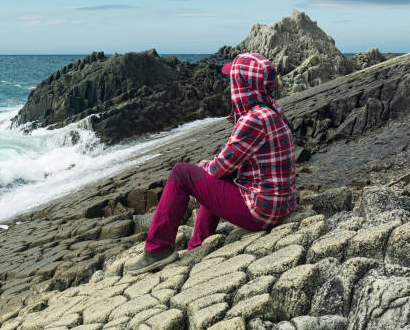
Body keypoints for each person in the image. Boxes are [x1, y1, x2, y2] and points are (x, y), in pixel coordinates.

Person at [127, 53, 297, 275]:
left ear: (242, 83)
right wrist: (206, 171)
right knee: (215, 176)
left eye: (232, 79)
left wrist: (201, 168)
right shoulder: (273, 112)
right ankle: (197, 244)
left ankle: (157, 249)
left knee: (181, 173)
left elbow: (219, 168)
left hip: (262, 212)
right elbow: (229, 166)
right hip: (281, 204)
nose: (230, 84)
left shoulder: (253, 119)